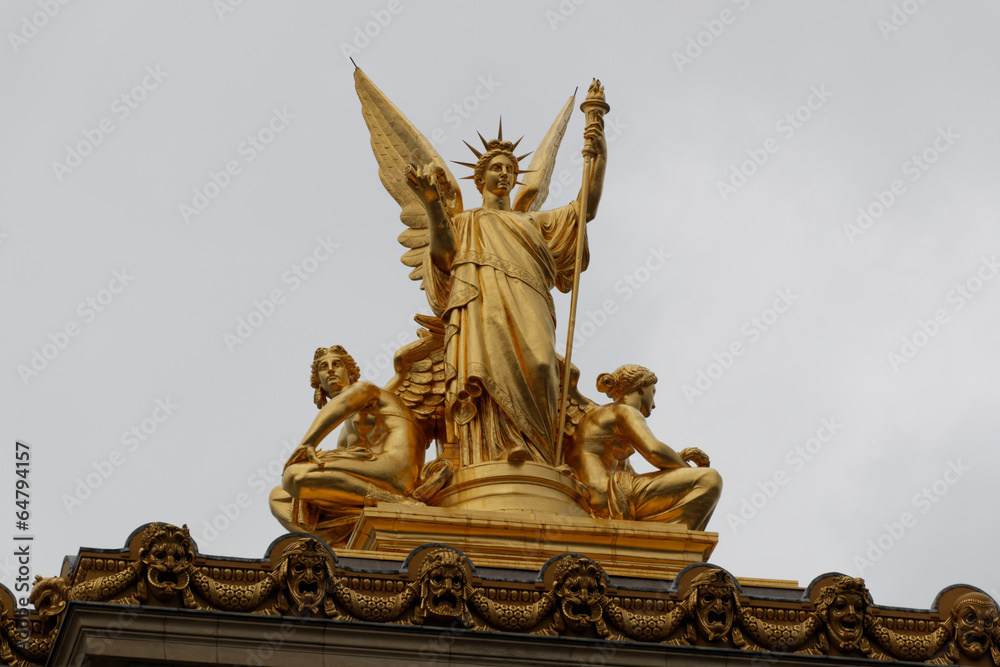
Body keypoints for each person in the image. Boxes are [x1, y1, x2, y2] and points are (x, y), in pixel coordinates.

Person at [404, 123, 607, 466]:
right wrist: (432, 205)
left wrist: (598, 153)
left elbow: (584, 208)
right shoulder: (467, 220)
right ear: (480, 178)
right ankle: (491, 454)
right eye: (496, 168)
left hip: (531, 302)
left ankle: (541, 457)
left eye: (510, 170)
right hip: (481, 305)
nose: (504, 174)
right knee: (481, 371)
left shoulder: (534, 222)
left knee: (543, 367)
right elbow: (443, 255)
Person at [269, 345, 426, 545]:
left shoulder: (367, 390)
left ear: (351, 373)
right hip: (372, 474)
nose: (331, 370)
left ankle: (396, 502)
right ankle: (341, 541)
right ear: (319, 383)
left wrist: (308, 443)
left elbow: (343, 405)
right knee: (280, 497)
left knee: (294, 476)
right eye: (323, 368)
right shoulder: (346, 434)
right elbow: (336, 480)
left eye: (337, 364)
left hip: (396, 467)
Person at [564, 364, 721, 530]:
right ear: (641, 388)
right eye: (652, 393)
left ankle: (667, 538)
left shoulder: (598, 416)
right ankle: (669, 541)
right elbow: (654, 451)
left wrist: (678, 466)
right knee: (709, 479)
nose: (653, 404)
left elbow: (636, 475)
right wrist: (688, 472)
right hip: (607, 493)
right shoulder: (623, 411)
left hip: (597, 492)